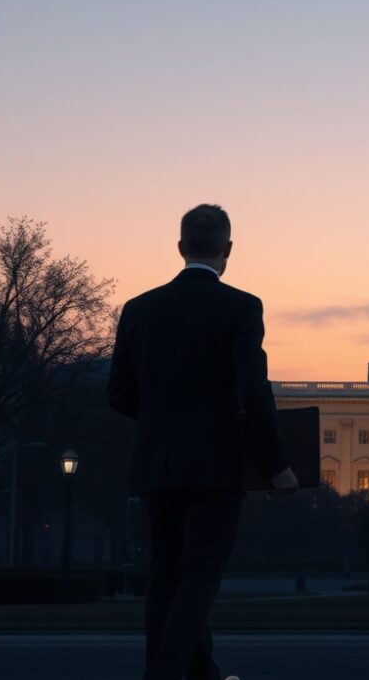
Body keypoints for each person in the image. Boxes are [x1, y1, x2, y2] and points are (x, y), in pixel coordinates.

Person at [108, 204, 297, 680]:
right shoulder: (240, 307)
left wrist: (162, 421)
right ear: (228, 250)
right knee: (200, 572)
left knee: (166, 576)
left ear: (179, 247)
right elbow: (252, 391)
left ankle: (201, 673)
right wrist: (276, 463)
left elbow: (118, 394)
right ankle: (164, 675)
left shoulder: (139, 308)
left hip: (157, 462)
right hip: (216, 465)